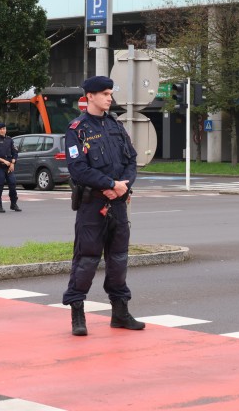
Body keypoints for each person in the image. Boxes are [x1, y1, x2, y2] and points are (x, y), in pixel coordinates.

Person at [62, 75, 144, 336]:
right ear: (91, 97)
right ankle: (77, 313)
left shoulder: (116, 126)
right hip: (92, 204)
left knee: (118, 259)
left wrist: (123, 186)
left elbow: (131, 161)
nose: (110, 98)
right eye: (106, 93)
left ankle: (120, 312)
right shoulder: (77, 129)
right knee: (86, 260)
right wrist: (109, 183)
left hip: (118, 203)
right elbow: (78, 169)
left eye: (110, 93)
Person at [0, 122, 21, 213]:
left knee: (12, 183)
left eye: (4, 128)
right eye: (1, 129)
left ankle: (13, 203)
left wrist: (13, 162)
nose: (3, 130)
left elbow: (15, 152)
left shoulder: (9, 139)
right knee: (0, 184)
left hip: (9, 166)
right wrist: (3, 160)